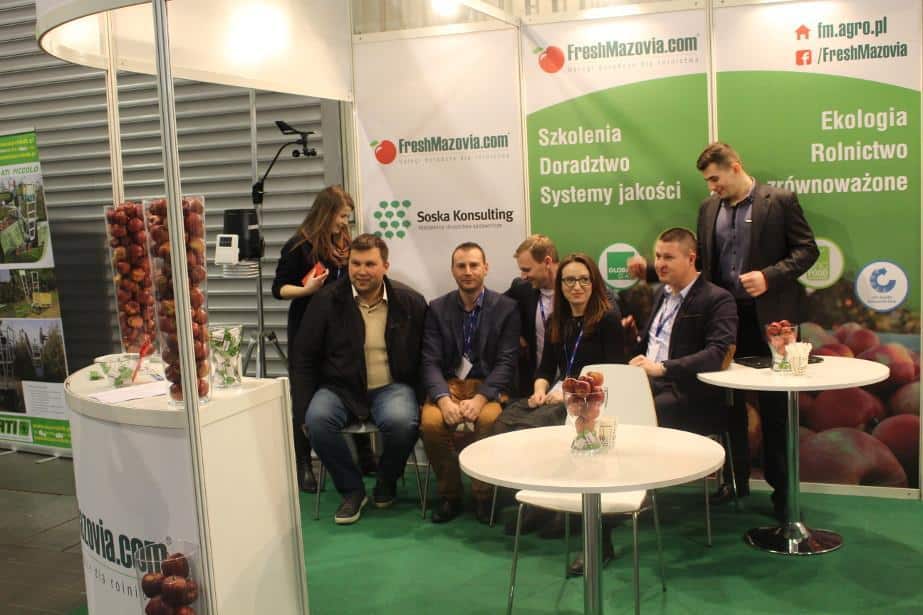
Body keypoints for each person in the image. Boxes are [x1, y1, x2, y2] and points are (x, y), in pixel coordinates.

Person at [630, 143, 818, 519]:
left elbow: (807, 250)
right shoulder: (708, 208)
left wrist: (769, 276)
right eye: (707, 181)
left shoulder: (779, 201)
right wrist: (652, 271)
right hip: (721, 318)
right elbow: (698, 263)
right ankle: (734, 481)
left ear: (735, 167)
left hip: (768, 323)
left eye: (715, 178)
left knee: (775, 410)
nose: (711, 186)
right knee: (726, 403)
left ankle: (784, 497)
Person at [497, 252, 626, 564]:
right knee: (505, 424)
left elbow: (615, 373)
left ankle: (590, 533)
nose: (576, 286)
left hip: (597, 402)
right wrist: (540, 390)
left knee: (536, 428)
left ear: (594, 283)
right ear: (560, 285)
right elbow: (545, 368)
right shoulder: (558, 320)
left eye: (583, 280)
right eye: (569, 280)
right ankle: (542, 504)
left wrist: (570, 392)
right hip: (563, 395)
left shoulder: (607, 319)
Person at [290, 234, 427, 525]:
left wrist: (424, 398)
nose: (361, 271)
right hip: (339, 389)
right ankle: (352, 490)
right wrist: (301, 409)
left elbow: (425, 357)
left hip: (392, 386)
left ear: (385, 266)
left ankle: (386, 480)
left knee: (404, 423)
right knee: (316, 421)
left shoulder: (410, 302)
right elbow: (303, 358)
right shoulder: (325, 301)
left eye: (370, 264)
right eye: (356, 264)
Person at [420, 242, 520, 524]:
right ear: (452, 270)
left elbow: (507, 361)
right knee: (431, 424)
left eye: (474, 265)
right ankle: (450, 496)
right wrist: (442, 399)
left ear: (485, 268)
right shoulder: (437, 308)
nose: (467, 271)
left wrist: (480, 398)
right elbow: (429, 361)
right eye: (461, 266)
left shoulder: (506, 308)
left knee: (489, 422)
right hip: (448, 386)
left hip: (487, 388)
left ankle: (483, 497)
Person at [272, 185, 354, 493]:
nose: (345, 222)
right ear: (326, 213)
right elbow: (279, 289)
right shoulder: (299, 246)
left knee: (347, 387)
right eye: (342, 216)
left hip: (340, 329)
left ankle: (362, 455)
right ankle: (304, 464)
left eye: (347, 217)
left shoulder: (344, 243)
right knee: (303, 398)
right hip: (307, 328)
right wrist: (307, 290)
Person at [626, 228, 738, 433]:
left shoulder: (717, 299)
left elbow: (718, 353)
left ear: (691, 258)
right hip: (647, 381)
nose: (659, 264)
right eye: (658, 256)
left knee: (639, 412)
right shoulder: (661, 293)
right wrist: (631, 337)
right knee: (607, 399)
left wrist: (663, 368)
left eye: (668, 257)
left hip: (684, 388)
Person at [504, 235, 560, 398]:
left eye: (527, 269)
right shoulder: (522, 288)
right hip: (535, 388)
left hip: (574, 386)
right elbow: (493, 308)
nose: (523, 276)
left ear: (547, 262)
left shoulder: (577, 290)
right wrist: (514, 334)